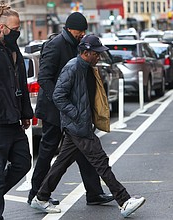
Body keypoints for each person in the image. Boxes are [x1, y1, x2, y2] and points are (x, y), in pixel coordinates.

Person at [30, 34, 146, 218]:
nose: (99, 56)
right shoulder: (73, 68)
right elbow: (58, 96)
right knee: (101, 162)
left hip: (79, 125)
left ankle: (41, 197)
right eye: (96, 53)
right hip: (78, 126)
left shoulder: (86, 67)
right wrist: (77, 115)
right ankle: (124, 201)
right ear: (86, 53)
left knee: (61, 164)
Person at [28, 12, 113, 206]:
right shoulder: (55, 45)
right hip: (54, 111)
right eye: (79, 31)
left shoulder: (77, 45)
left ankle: (94, 193)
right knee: (48, 151)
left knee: (84, 150)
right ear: (69, 28)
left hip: (72, 109)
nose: (82, 34)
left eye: (84, 31)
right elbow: (44, 79)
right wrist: (61, 105)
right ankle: (35, 193)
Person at [0, 2, 33, 220]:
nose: (18, 33)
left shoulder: (13, 50)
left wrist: (25, 113)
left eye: (19, 28)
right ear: (0, 28)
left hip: (13, 121)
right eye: (15, 29)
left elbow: (20, 83)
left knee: (23, 163)